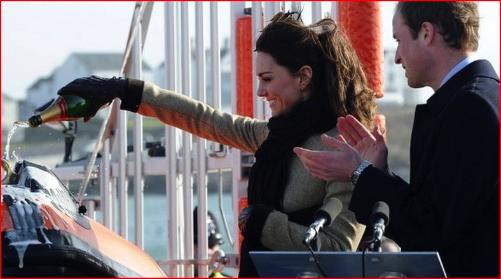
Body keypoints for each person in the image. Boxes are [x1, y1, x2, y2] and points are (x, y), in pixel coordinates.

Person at [56, 12, 377, 277]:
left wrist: (265, 223)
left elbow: (338, 251)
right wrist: (123, 90)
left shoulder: (343, 148)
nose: (260, 92)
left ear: (303, 77)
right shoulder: (272, 135)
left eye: (267, 79)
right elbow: (204, 118)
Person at [294, 2, 499, 277]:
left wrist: (359, 173)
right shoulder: (479, 98)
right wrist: (378, 172)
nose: (397, 57)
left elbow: (432, 233)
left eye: (398, 40)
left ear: (426, 33)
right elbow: (434, 209)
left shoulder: (470, 108)